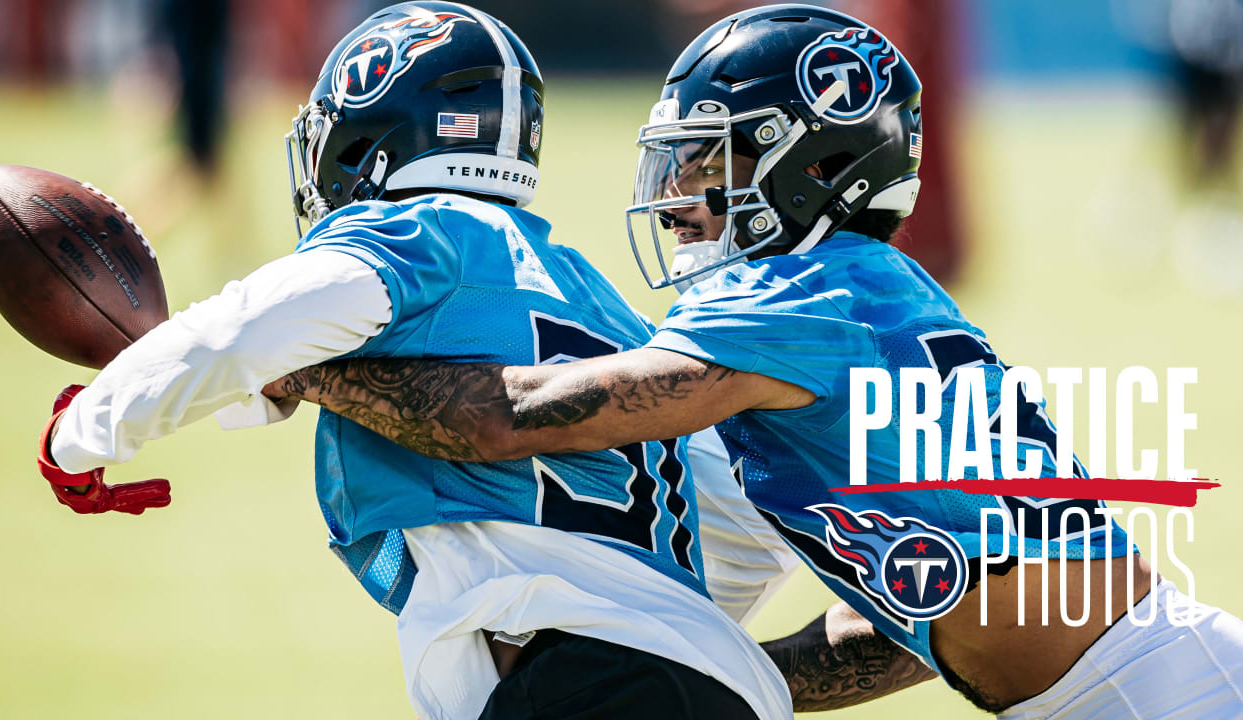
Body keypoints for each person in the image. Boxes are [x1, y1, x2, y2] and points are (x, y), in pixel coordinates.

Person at [263, 5, 1243, 718]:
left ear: (807, 165)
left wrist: (300, 361)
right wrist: (725, 673)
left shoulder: (797, 294)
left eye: (708, 160)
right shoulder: (851, 290)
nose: (680, 195)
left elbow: (518, 412)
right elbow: (918, 614)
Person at [33, 3, 793, 718]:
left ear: (371, 136)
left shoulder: (419, 232)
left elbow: (238, 329)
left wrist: (85, 432)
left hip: (584, 681)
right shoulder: (599, 301)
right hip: (712, 681)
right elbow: (740, 525)